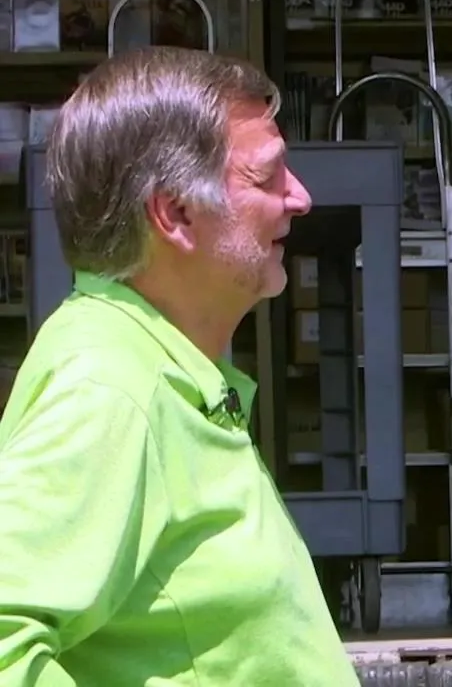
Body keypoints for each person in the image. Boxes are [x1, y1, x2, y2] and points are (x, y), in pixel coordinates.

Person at [0, 47, 359, 685]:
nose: (301, 198)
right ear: (175, 213)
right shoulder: (109, 389)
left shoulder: (154, 368)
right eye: (267, 177)